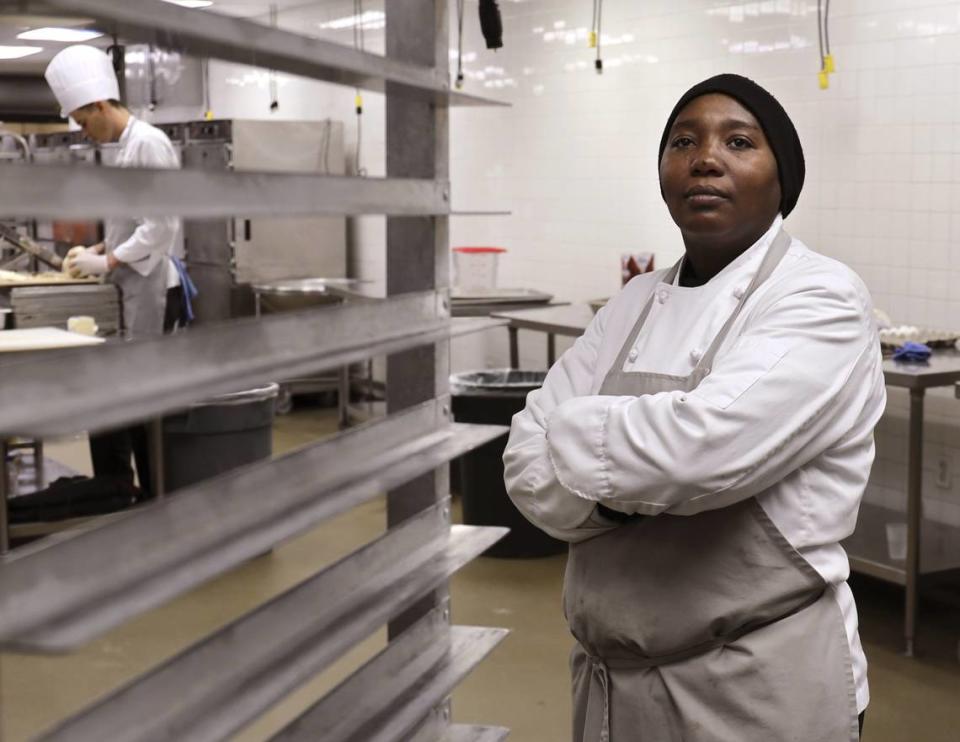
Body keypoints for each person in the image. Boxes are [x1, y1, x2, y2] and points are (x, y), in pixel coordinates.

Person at [504, 74, 885, 742]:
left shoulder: (821, 297)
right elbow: (523, 463)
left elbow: (697, 451)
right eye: (684, 142)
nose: (704, 158)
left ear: (782, 178)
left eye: (738, 141)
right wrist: (630, 481)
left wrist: (577, 440)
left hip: (754, 688)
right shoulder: (631, 301)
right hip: (611, 683)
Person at [45, 44, 192, 494]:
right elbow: (132, 221)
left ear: (100, 105)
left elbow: (161, 227)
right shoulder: (124, 149)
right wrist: (100, 247)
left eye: (85, 121)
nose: (85, 132)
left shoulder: (148, 144)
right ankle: (116, 489)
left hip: (150, 289)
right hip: (129, 287)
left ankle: (151, 492)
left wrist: (107, 260)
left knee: (140, 396)